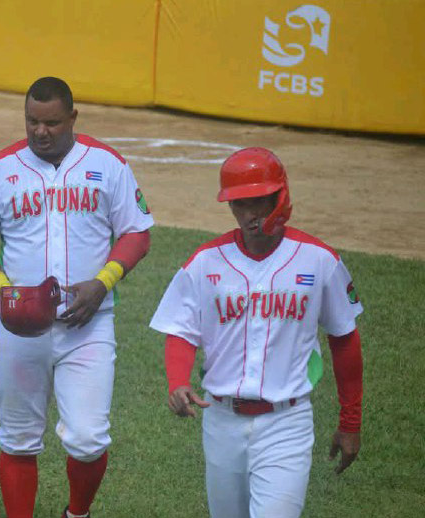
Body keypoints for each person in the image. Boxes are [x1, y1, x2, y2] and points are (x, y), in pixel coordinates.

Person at [0, 76, 153, 518]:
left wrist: (103, 281)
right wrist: (4, 290)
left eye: (50, 123)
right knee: (18, 437)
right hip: (19, 328)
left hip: (89, 325)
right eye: (31, 121)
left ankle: (77, 514)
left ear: (72, 118)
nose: (39, 132)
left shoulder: (108, 164)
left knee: (87, 439)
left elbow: (136, 232)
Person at [149, 147, 364, 517]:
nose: (251, 215)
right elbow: (181, 331)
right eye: (240, 205)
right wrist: (176, 380)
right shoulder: (205, 262)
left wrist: (350, 422)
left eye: (260, 202)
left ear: (281, 197)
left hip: (286, 424)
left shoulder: (319, 260)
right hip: (221, 421)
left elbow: (345, 339)